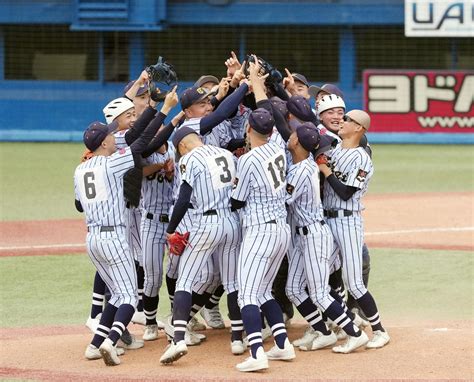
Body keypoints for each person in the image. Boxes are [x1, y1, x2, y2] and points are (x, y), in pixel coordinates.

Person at [74, 88, 178, 366]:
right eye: (108, 134)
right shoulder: (110, 165)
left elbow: (78, 206)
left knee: (117, 294)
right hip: (114, 237)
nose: (112, 136)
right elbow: (141, 142)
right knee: (130, 296)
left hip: (92, 239)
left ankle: (95, 344)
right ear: (104, 142)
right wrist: (164, 111)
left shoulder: (80, 169)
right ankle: (110, 342)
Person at [159, 126, 243, 364]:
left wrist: (171, 229)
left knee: (185, 280)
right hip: (231, 221)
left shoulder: (189, 159)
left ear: (182, 146)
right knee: (232, 281)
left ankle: (178, 339)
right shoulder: (225, 154)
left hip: (207, 222)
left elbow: (184, 198)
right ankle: (237, 339)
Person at [285, 123, 369, 353]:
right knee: (293, 289)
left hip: (314, 236)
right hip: (304, 236)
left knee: (320, 293)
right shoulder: (305, 165)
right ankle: (323, 331)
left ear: (296, 143)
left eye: (293, 135)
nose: (289, 136)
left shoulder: (301, 170)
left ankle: (355, 333)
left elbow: (283, 201)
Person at [317, 109, 390, 350]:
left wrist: (325, 170)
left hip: (347, 222)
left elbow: (346, 192)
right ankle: (343, 323)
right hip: (327, 219)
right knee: (320, 273)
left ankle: (379, 330)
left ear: (359, 128)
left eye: (347, 119)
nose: (342, 120)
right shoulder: (337, 149)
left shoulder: (361, 158)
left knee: (355, 283)